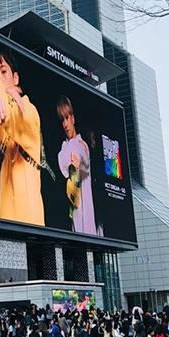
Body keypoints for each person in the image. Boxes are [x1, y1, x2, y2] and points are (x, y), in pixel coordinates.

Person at [0, 48, 45, 226]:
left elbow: (15, 116)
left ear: (15, 78)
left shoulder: (29, 110)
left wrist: (4, 98)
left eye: (4, 71)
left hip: (29, 222)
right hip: (6, 220)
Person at [56, 96, 97, 235]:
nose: (65, 124)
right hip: (75, 208)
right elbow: (64, 167)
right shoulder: (65, 148)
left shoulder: (81, 145)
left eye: (67, 118)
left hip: (86, 208)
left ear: (73, 119)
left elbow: (81, 159)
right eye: (62, 120)